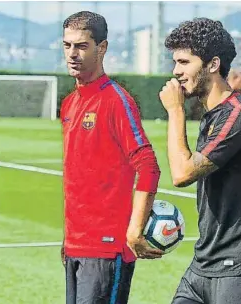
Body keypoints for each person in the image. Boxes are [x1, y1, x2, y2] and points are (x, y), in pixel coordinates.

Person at [60, 11, 163, 304]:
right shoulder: (69, 103)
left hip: (107, 248)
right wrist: (68, 239)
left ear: (101, 48)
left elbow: (148, 166)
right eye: (67, 45)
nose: (72, 54)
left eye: (81, 46)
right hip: (76, 246)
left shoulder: (116, 100)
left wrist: (134, 230)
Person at [160, 18, 241, 304]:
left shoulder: (235, 114)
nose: (176, 72)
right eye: (175, 63)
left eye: (184, 62)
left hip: (233, 270)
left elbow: (182, 173)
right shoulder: (213, 115)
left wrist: (175, 111)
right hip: (202, 265)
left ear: (213, 64)